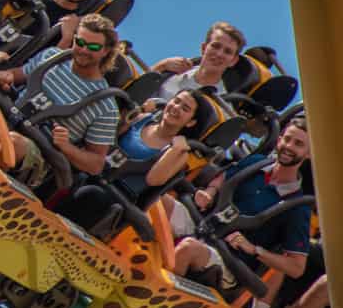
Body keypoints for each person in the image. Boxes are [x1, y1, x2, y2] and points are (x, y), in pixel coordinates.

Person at [172, 116, 312, 289]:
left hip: (229, 261)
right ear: (279, 139)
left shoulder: (297, 206)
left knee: (188, 249)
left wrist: (254, 250)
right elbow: (223, 177)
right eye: (287, 139)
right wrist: (210, 191)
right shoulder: (256, 163)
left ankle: (154, 297)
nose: (289, 146)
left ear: (309, 153)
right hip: (204, 226)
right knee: (162, 203)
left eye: (298, 144)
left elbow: (296, 267)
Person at [0, 13, 120, 186]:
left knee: (12, 143)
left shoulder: (106, 105)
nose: (83, 50)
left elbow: (96, 164)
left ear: (105, 51)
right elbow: (17, 75)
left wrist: (67, 146)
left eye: (93, 47)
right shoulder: (51, 57)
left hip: (40, 151)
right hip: (9, 117)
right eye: (80, 42)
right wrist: (5, 76)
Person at [56, 89, 204, 231]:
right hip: (95, 171)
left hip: (116, 194)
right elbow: (107, 137)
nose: (176, 108)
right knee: (64, 166)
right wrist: (138, 110)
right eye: (176, 101)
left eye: (185, 109)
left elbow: (154, 179)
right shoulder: (142, 119)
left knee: (91, 193)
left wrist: (175, 149)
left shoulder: (179, 153)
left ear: (190, 122)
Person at [150, 21, 246, 100]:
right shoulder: (172, 71)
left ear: (233, 61)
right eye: (216, 46)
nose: (219, 54)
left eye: (227, 51)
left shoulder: (223, 103)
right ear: (203, 48)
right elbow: (138, 91)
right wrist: (160, 66)